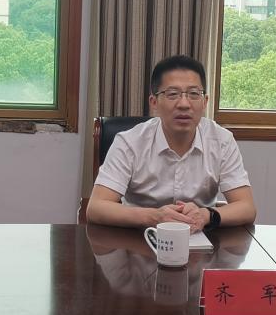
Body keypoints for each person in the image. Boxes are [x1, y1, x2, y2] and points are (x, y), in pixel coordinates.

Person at [86, 55, 257, 232]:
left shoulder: (222, 141)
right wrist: (154, 217)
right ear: (154, 103)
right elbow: (96, 208)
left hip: (199, 238)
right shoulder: (129, 142)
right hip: (139, 238)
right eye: (173, 94)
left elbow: (246, 207)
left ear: (205, 102)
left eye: (193, 94)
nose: (184, 104)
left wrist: (206, 215)